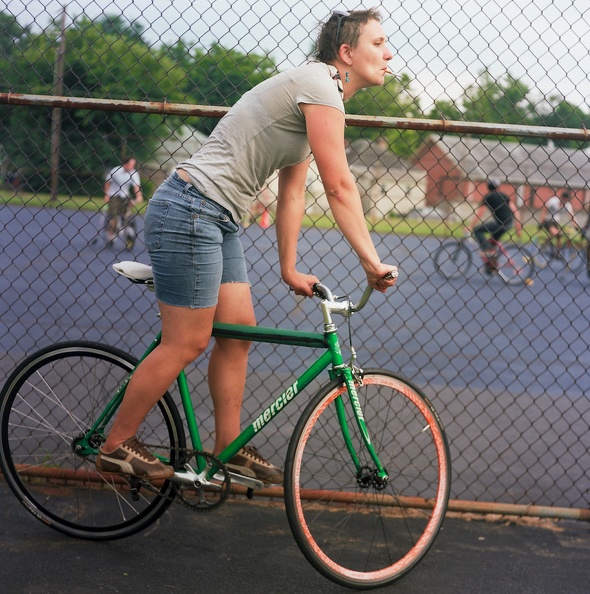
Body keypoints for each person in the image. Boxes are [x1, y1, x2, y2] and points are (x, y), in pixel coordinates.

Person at [96, 8, 398, 485]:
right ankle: (117, 445)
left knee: (238, 332)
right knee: (189, 340)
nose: (389, 53)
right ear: (346, 53)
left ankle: (227, 448)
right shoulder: (320, 85)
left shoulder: (320, 94)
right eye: (379, 43)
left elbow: (294, 193)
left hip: (217, 217)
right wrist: (371, 261)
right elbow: (340, 187)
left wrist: (289, 267)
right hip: (191, 207)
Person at [469, 179, 521, 273]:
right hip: (509, 224)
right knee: (492, 242)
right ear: (498, 187)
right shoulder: (504, 196)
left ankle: (488, 250)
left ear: (488, 187)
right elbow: (515, 211)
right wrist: (518, 228)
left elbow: (480, 213)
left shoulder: (488, 196)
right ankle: (491, 267)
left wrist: (470, 226)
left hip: (500, 224)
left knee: (477, 230)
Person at [103, 156, 144, 245]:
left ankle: (126, 227)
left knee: (127, 213)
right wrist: (106, 195)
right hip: (114, 194)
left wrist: (139, 196)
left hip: (125, 195)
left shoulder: (134, 173)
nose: (133, 166)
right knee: (113, 215)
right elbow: (107, 181)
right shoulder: (116, 171)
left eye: (134, 164)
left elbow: (136, 187)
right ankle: (111, 235)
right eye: (131, 164)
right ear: (125, 164)